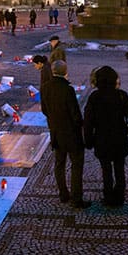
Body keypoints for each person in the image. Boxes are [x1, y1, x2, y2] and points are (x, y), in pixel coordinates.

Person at [83, 66, 128, 208]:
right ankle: (119, 197)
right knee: (120, 169)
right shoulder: (121, 95)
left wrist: (88, 141)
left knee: (106, 170)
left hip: (102, 140)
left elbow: (88, 122)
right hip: (119, 139)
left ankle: (108, 197)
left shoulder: (94, 97)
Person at [41, 60, 89, 208]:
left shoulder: (45, 87)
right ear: (65, 72)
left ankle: (63, 193)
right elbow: (75, 114)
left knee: (59, 164)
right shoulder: (68, 89)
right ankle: (76, 199)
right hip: (71, 134)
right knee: (76, 165)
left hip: (55, 132)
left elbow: (44, 110)